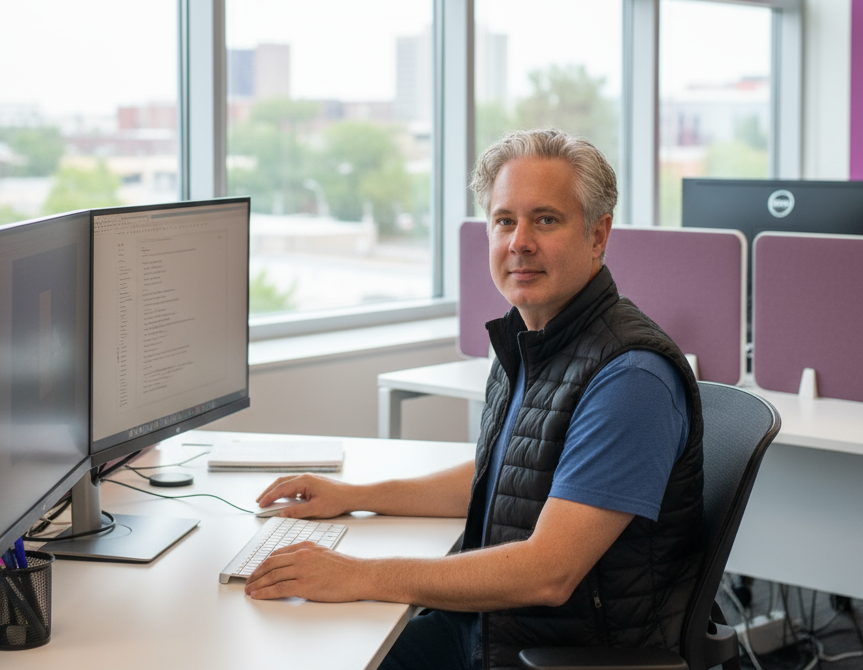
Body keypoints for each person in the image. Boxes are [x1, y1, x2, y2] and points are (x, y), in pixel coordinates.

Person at [245, 129, 704, 670]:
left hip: (545, 653)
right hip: (487, 628)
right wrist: (356, 494)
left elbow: (548, 572)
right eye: (505, 221)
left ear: (598, 234)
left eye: (546, 220)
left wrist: (358, 574)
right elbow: (502, 477)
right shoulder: (534, 337)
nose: (519, 242)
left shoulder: (630, 378)